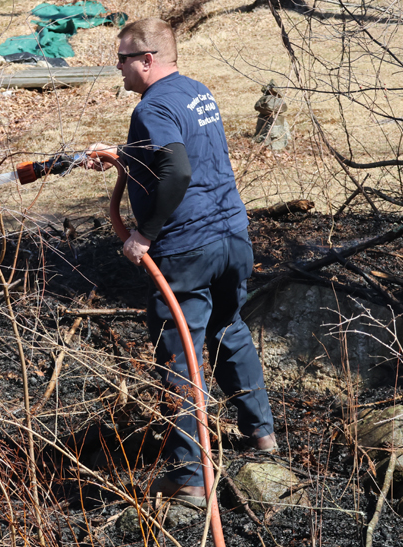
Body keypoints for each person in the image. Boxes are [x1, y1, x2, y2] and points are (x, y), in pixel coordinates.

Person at [85, 17, 276, 505]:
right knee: (230, 328)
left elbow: (178, 169)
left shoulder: (151, 108)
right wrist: (121, 156)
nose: (119, 68)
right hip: (233, 239)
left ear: (148, 59)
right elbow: (182, 153)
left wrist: (143, 235)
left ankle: (188, 477)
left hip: (187, 249)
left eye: (124, 58)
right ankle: (262, 437)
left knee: (179, 355)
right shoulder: (197, 92)